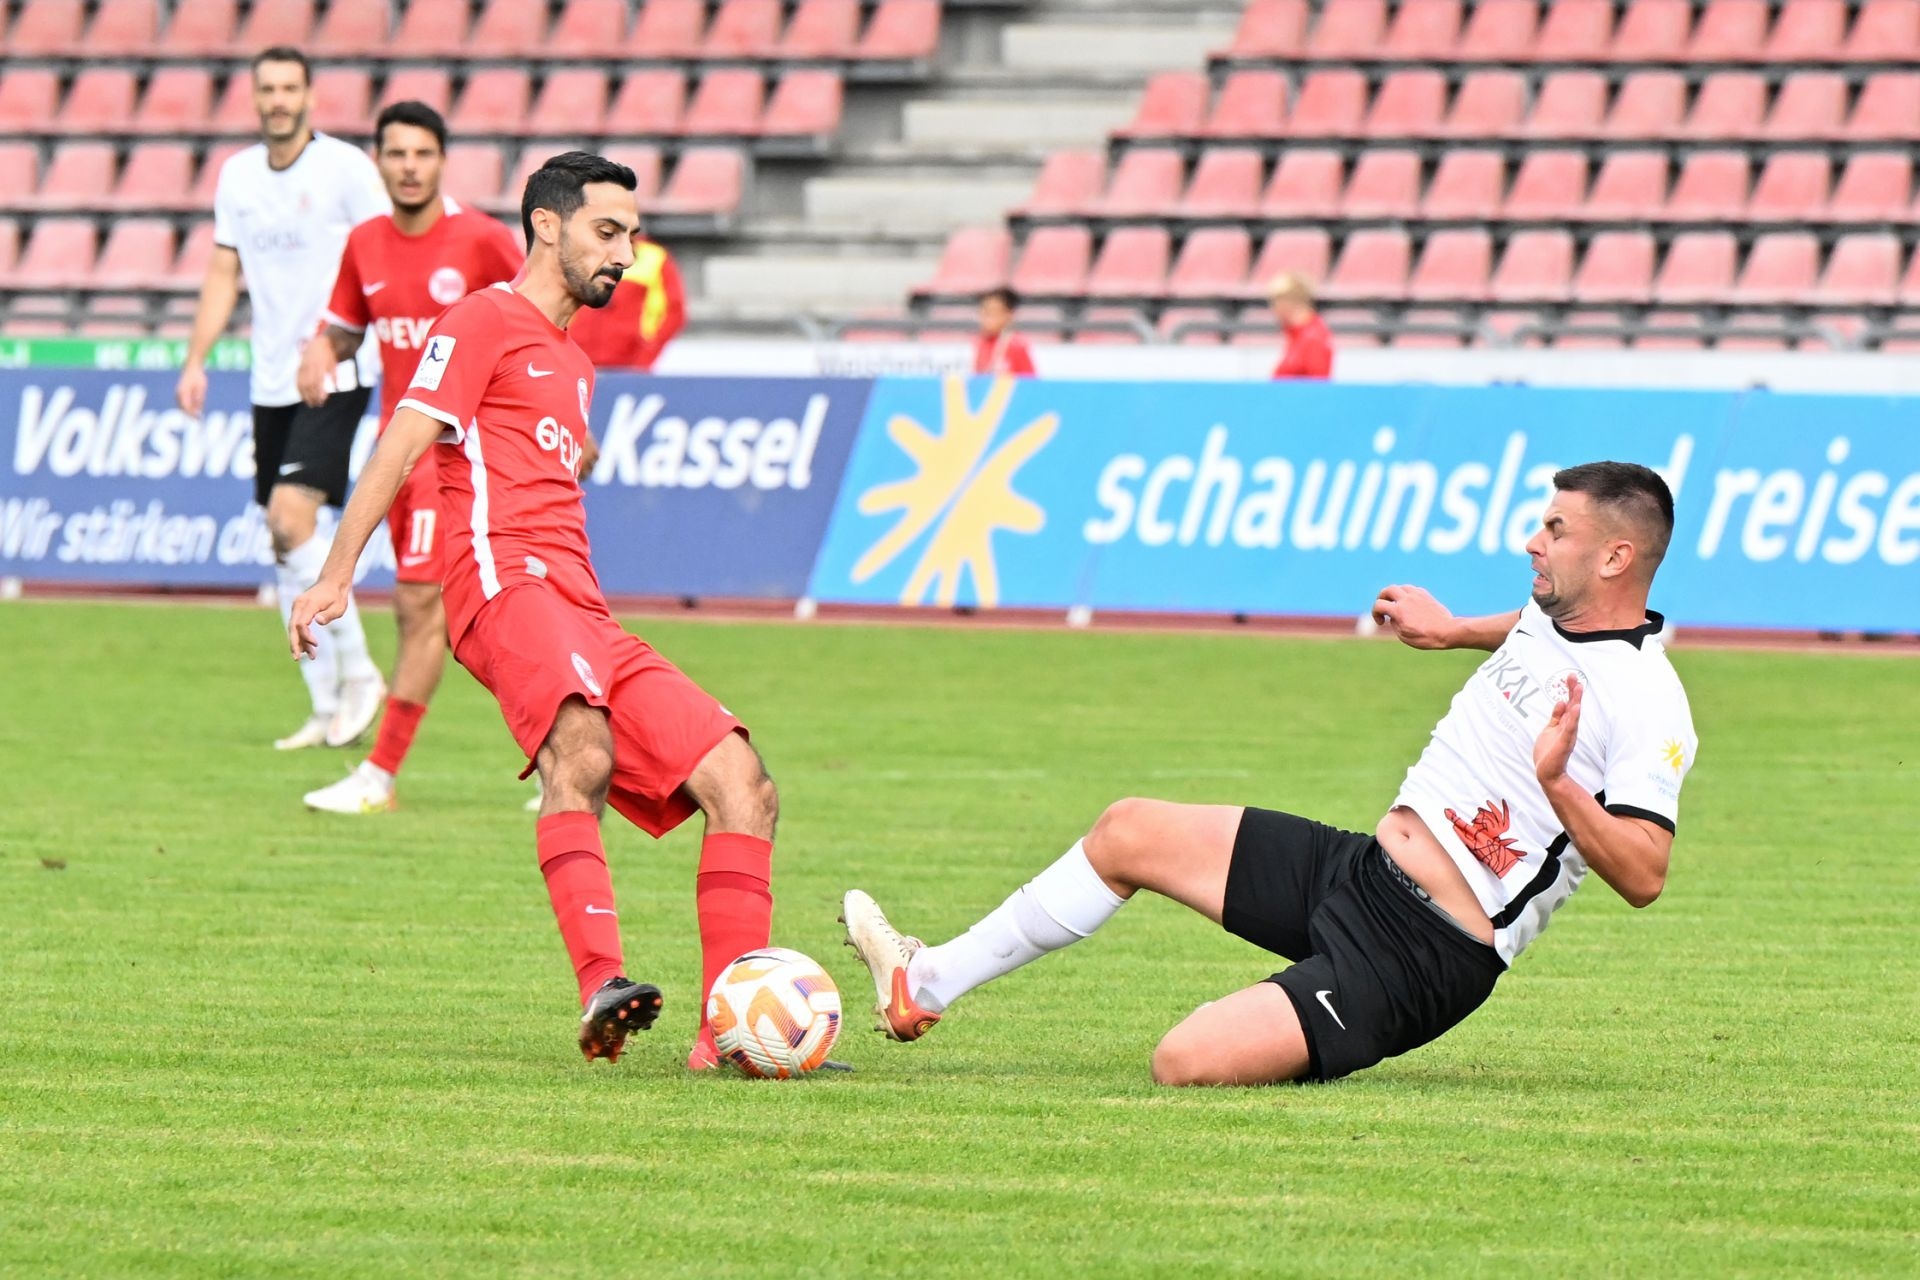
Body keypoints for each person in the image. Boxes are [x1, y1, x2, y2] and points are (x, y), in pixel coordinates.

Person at [843, 462, 1695, 1087]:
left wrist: (1558, 785)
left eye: (1556, 530)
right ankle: (926, 982)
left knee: (1183, 1062)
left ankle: (1309, 1012)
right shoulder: (1553, 616)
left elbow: (1645, 875)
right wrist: (1449, 631)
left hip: (1424, 953)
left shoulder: (1649, 701)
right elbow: (1529, 631)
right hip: (1361, 871)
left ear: (1615, 559)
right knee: (1127, 830)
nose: (1533, 541)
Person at [288, 152, 780, 1071]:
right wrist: (335, 573)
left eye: (632, 235)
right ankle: (603, 984)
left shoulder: (575, 363)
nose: (625, 254)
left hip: (584, 606)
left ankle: (732, 1036)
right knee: (580, 748)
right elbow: (403, 439)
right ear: (547, 225)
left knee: (742, 782)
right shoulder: (481, 319)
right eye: (609, 232)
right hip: (502, 584)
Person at [295, 101, 525, 815]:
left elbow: (541, 323)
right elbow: (346, 327)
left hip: (468, 455)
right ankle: (572, 756)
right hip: (400, 453)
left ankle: (380, 776)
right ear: (379, 162)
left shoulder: (483, 241)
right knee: (484, 617)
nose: (410, 167)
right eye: (396, 154)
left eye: (423, 153)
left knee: (420, 606)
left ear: (442, 160)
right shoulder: (365, 243)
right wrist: (321, 349)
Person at [177, 46, 392, 751]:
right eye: (266, 88)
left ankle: (360, 675)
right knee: (280, 538)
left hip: (336, 367)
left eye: (288, 88)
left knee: (290, 517)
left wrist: (342, 337)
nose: (277, 99)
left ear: (309, 96)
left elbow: (384, 253)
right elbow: (223, 270)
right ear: (254, 96)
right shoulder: (237, 175)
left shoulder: (346, 169)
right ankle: (324, 704)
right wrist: (196, 358)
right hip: (270, 377)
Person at [568, 232, 686, 370]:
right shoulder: (578, 252)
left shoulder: (654, 257)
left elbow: (674, 312)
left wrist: (645, 358)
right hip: (574, 362)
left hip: (629, 366)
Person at [1267, 272, 1333, 381]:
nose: (1273, 309)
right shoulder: (1298, 337)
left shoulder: (1313, 338)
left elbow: (1318, 385)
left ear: (1287, 303)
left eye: (1275, 303)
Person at [971, 287, 1036, 376]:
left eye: (991, 312)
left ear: (1008, 315)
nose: (985, 318)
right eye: (983, 312)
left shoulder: (1016, 345)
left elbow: (1030, 381)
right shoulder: (980, 343)